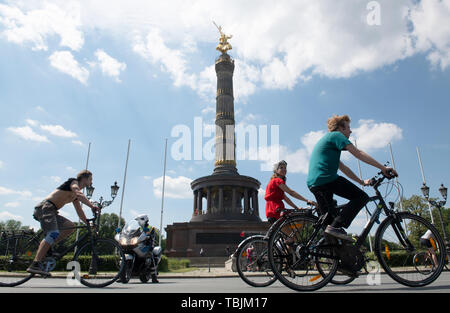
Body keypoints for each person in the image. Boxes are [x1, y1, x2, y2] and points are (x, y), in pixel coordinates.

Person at [307, 115, 397, 241]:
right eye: (348, 127)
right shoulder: (336, 136)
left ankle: (328, 251)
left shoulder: (328, 142)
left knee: (329, 225)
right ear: (340, 128)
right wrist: (383, 168)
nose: (350, 131)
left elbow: (343, 168)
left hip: (314, 183)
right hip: (326, 179)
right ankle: (336, 227)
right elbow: (358, 153)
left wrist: (361, 181)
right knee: (361, 197)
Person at [27, 170, 100, 276]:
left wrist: (88, 223)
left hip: (52, 211)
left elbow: (80, 212)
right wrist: (92, 206)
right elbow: (78, 193)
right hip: (45, 208)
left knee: (70, 226)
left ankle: (47, 248)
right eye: (90, 179)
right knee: (53, 233)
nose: (92, 182)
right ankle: (35, 264)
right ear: (84, 178)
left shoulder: (75, 195)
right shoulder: (73, 182)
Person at [264, 160, 316, 224]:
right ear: (276, 171)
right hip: (276, 209)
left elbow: (286, 198)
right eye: (281, 168)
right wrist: (307, 200)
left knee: (288, 232)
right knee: (301, 220)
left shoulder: (274, 182)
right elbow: (291, 192)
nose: (284, 169)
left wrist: (296, 208)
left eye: (285, 168)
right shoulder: (277, 180)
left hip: (270, 210)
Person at [135, 214, 160, 283]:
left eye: (139, 220)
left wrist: (149, 236)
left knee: (150, 255)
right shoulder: (138, 228)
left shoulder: (151, 228)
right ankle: (122, 274)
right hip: (138, 245)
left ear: (144, 220)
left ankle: (154, 277)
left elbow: (152, 236)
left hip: (148, 245)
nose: (138, 222)